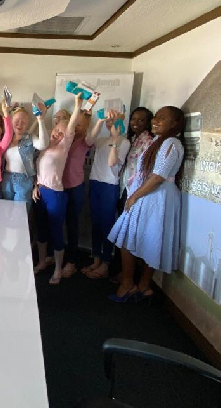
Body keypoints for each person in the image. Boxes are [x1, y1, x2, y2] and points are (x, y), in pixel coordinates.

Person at [108, 106, 185, 303]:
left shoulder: (171, 143)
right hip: (150, 194)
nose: (155, 121)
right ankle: (142, 286)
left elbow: (158, 176)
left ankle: (131, 285)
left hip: (155, 196)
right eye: (155, 117)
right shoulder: (160, 141)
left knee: (131, 239)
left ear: (175, 123)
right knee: (146, 239)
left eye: (162, 118)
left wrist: (134, 197)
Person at [32, 93, 82, 282]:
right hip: (40, 192)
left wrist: (77, 106)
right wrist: (36, 185)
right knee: (41, 230)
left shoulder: (63, 147)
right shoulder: (44, 146)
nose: (58, 134)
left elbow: (70, 127)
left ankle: (58, 269)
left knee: (56, 232)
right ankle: (42, 261)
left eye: (62, 132)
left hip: (55, 194)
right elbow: (38, 169)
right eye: (56, 130)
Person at [82, 111, 130, 279]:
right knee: (95, 224)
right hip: (95, 182)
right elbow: (88, 141)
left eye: (113, 120)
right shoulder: (101, 140)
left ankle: (106, 263)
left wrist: (115, 139)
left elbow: (112, 162)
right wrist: (100, 121)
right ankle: (96, 259)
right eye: (108, 120)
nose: (110, 123)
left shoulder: (124, 142)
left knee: (107, 225)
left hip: (109, 186)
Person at [62, 109, 96, 277]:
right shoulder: (65, 137)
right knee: (57, 222)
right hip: (58, 187)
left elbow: (92, 137)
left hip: (75, 188)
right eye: (75, 123)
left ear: (87, 127)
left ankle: (71, 261)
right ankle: (55, 255)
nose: (76, 127)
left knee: (72, 224)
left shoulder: (85, 141)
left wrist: (100, 121)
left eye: (80, 125)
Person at [2, 104, 49, 209]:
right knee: (5, 212)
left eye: (24, 122)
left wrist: (40, 120)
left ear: (27, 125)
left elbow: (43, 144)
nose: (20, 124)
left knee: (20, 214)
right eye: (17, 120)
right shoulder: (6, 137)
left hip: (23, 180)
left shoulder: (30, 138)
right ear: (12, 120)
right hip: (6, 179)